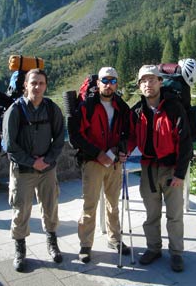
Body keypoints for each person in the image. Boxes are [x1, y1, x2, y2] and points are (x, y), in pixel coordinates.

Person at [128, 65, 193, 272]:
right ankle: (153, 248)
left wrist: (180, 174)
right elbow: (129, 138)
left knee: (174, 215)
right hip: (148, 169)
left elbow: (185, 143)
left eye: (152, 79)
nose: (148, 84)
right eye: (144, 81)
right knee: (151, 214)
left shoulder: (174, 108)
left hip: (171, 168)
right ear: (139, 86)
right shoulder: (136, 111)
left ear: (160, 82)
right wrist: (120, 152)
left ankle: (176, 253)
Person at [2, 68, 65, 272]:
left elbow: (59, 138)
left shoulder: (52, 109)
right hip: (23, 171)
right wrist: (32, 162)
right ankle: (20, 250)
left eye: (41, 83)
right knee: (21, 211)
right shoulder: (15, 111)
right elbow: (10, 146)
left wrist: (47, 160)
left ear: (46, 86)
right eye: (33, 83)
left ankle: (52, 243)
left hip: (47, 169)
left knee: (50, 207)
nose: (37, 87)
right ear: (25, 85)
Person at [71, 67, 130, 263]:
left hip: (114, 163)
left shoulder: (121, 106)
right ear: (98, 83)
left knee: (113, 205)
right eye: (105, 80)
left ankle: (115, 238)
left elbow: (128, 133)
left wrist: (123, 150)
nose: (108, 84)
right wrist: (98, 154)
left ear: (117, 84)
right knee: (90, 206)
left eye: (113, 81)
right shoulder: (87, 106)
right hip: (93, 163)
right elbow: (76, 137)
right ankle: (85, 245)